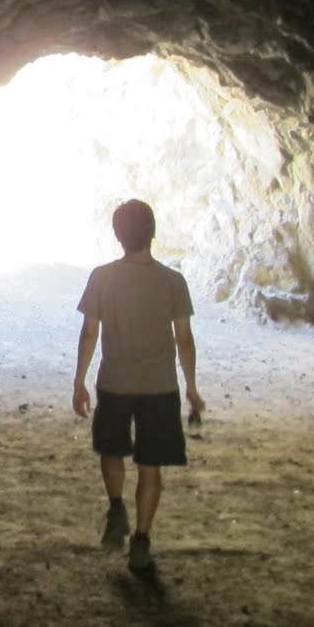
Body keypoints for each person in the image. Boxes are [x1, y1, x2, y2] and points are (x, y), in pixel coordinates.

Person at [71, 199, 204, 573]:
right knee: (151, 465)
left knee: (110, 450)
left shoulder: (102, 277)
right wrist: (191, 388)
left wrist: (79, 381)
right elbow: (185, 339)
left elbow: (90, 331)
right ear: (153, 232)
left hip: (115, 382)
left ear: (118, 235)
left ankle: (116, 508)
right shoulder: (172, 281)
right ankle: (142, 540)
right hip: (160, 387)